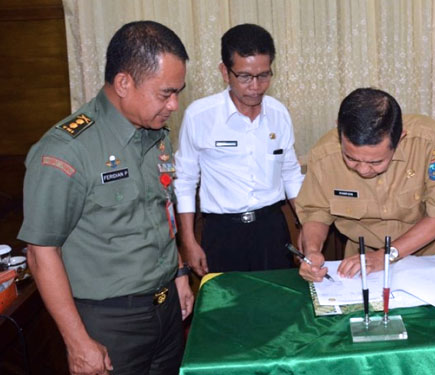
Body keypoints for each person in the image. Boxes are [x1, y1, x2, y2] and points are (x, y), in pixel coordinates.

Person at [18, 21, 193, 375]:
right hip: (109, 322)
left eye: (178, 92)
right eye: (165, 93)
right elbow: (40, 252)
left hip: (166, 309)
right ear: (124, 83)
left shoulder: (155, 134)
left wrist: (179, 275)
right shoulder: (67, 150)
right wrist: (77, 341)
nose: (174, 105)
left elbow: (163, 212)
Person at [296, 88, 435, 282]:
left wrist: (385, 256)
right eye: (350, 158)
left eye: (376, 162)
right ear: (339, 132)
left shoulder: (426, 140)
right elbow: (316, 211)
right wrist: (312, 252)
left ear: (400, 137)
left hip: (426, 260)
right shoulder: (323, 155)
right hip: (361, 266)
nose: (363, 170)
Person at [175, 23, 304, 275]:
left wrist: (306, 227)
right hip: (222, 232)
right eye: (245, 77)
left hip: (271, 228)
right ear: (225, 72)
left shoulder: (279, 113)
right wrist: (188, 241)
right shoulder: (200, 116)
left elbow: (290, 174)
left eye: (264, 75)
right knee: (226, 307)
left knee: (276, 303)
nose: (255, 86)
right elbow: (185, 181)